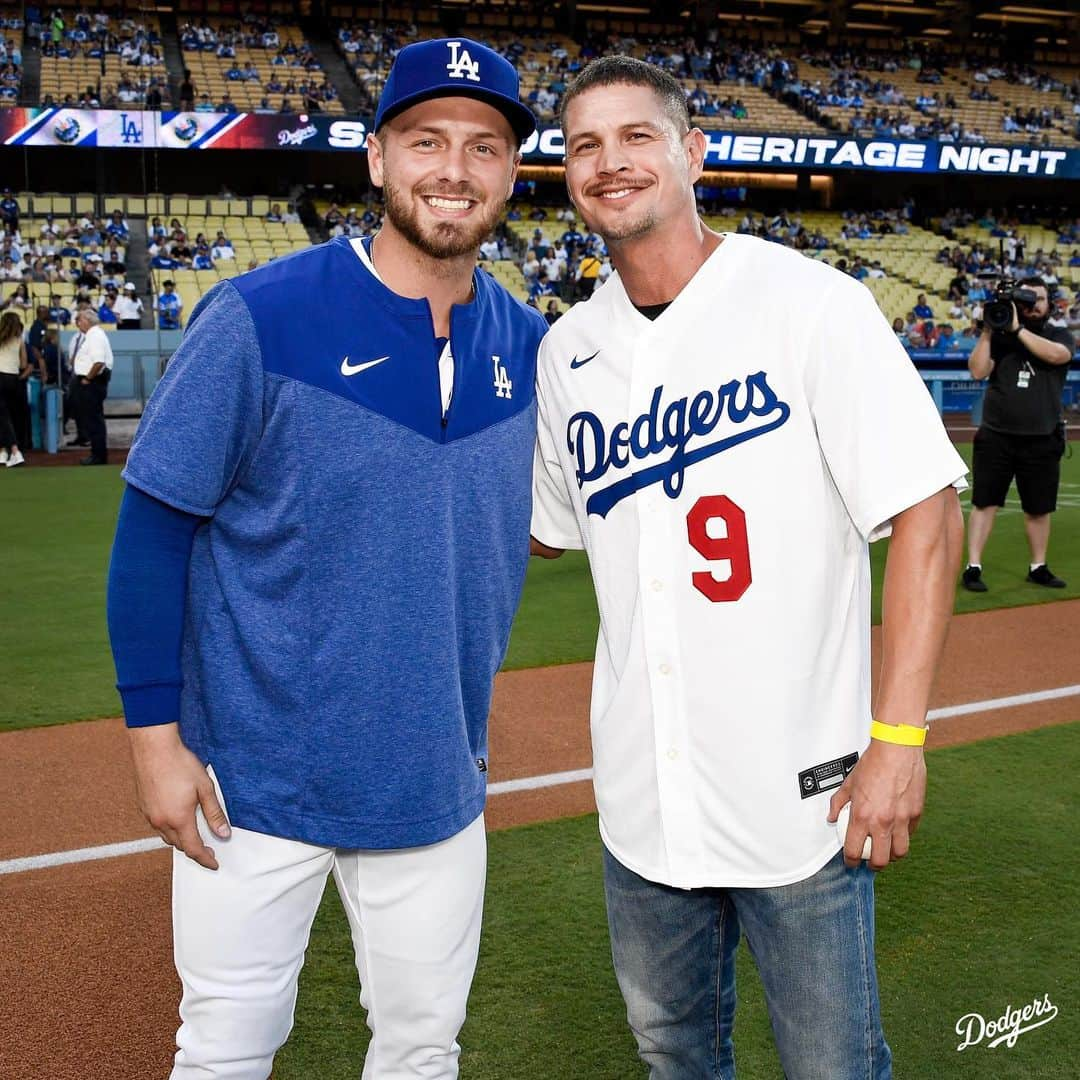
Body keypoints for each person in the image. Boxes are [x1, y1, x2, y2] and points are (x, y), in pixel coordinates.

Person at [107, 37, 545, 1079]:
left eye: (483, 147)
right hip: (250, 781)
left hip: (433, 777)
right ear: (377, 161)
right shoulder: (263, 316)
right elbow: (153, 529)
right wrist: (153, 742)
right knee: (224, 1049)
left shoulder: (532, 347)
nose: (455, 168)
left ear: (511, 175)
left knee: (422, 1051)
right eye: (426, 139)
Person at [529, 56, 966, 1079]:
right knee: (674, 1058)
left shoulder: (810, 304)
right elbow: (544, 531)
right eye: (585, 145)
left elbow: (926, 512)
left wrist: (898, 737)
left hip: (801, 796)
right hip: (643, 801)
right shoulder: (568, 351)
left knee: (834, 1066)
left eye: (636, 135)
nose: (610, 162)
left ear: (693, 150)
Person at [961, 277, 1075, 592]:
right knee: (984, 503)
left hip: (1042, 436)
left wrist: (1017, 331)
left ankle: (1038, 566)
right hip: (996, 435)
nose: (1034, 304)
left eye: (1040, 298)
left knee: (1038, 507)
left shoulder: (1058, 334)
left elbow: (1057, 356)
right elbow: (978, 370)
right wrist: (987, 329)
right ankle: (973, 567)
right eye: (1028, 299)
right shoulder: (998, 335)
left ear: (1050, 302)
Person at [68, 306, 113, 465]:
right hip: (92, 381)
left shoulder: (95, 336)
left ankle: (98, 455)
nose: (77, 323)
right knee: (92, 419)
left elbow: (98, 361)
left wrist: (87, 379)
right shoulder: (93, 335)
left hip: (92, 382)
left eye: (79, 320)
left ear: (87, 321)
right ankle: (96, 453)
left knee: (94, 420)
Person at [0, 310, 28, 466]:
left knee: (3, 417)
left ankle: (15, 451)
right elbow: (23, 364)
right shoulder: (20, 340)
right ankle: (3, 452)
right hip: (13, 379)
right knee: (5, 416)